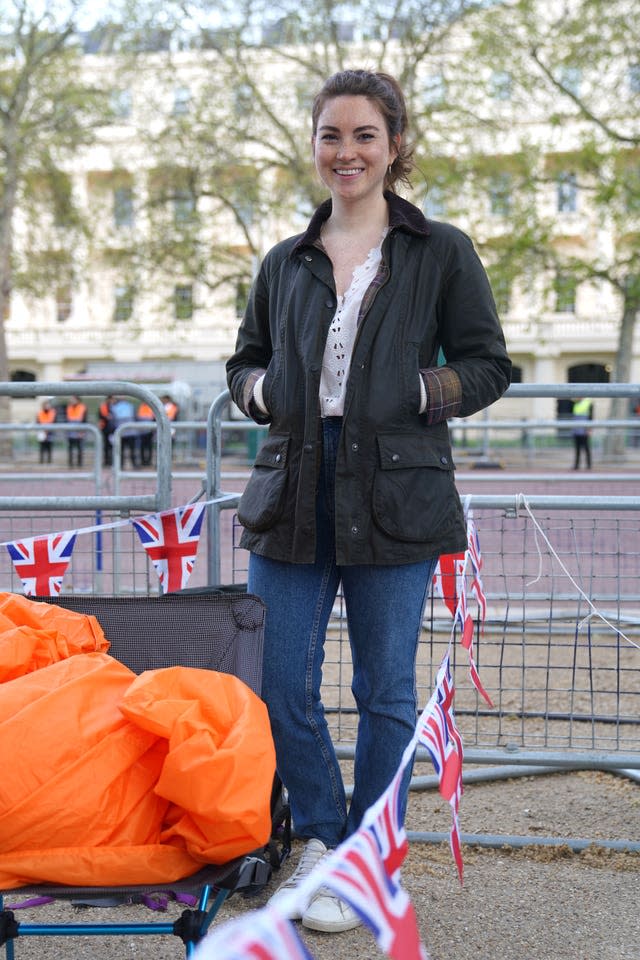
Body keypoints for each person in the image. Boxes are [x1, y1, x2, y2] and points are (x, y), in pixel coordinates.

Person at [226, 69, 512, 933]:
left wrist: (415, 389)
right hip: (293, 492)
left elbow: (490, 365)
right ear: (313, 145)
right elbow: (242, 364)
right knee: (280, 684)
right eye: (330, 136)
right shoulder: (286, 260)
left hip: (398, 493)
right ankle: (320, 832)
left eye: (363, 136)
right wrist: (267, 396)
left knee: (386, 690)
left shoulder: (440, 251)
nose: (345, 152)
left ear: (392, 146)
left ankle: (366, 854)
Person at [65, 395, 88, 468]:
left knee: (80, 448)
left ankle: (79, 464)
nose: (71, 400)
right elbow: (67, 419)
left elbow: (84, 420)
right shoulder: (69, 407)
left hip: (79, 431)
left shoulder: (82, 407)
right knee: (70, 448)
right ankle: (71, 464)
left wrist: (82, 431)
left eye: (73, 399)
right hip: (70, 431)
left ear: (77, 400)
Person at [571, 397, 593, 470]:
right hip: (576, 429)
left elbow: (590, 417)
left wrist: (589, 429)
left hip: (584, 430)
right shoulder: (575, 404)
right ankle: (576, 465)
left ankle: (589, 465)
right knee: (577, 449)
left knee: (586, 448)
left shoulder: (588, 403)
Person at [136, 399, 155, 467]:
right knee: (142, 446)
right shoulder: (141, 407)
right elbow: (138, 417)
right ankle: (143, 461)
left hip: (149, 430)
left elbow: (153, 418)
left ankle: (149, 461)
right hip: (142, 430)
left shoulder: (151, 408)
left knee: (149, 446)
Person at [36, 399, 56, 464]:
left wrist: (48, 430)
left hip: (50, 432)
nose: (47, 406)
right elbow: (38, 422)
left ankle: (49, 461)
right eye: (46, 405)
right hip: (42, 432)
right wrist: (43, 430)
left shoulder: (52, 412)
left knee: (49, 447)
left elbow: (54, 422)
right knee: (42, 447)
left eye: (48, 405)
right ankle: (41, 461)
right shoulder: (40, 413)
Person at [98, 395, 115, 466]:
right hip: (105, 428)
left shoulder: (114, 407)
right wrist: (107, 417)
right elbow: (100, 415)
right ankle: (107, 460)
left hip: (112, 429)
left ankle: (111, 460)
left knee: (112, 445)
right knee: (106, 445)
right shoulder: (103, 406)